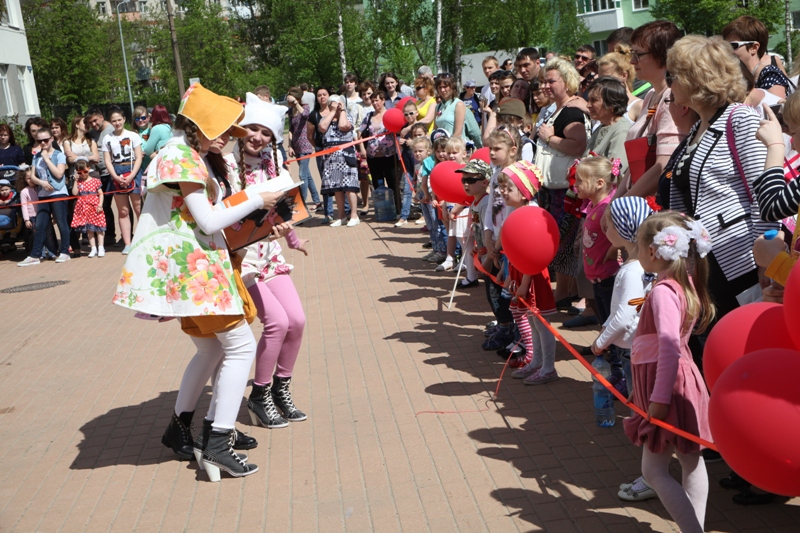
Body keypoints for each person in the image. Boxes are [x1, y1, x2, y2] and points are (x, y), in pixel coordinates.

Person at [113, 83, 285, 482]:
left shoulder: (183, 153)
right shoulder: (181, 156)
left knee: (210, 351)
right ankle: (217, 444)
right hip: (196, 272)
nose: (228, 138)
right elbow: (206, 221)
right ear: (199, 125)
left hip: (194, 269)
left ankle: (184, 428)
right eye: (223, 129)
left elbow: (202, 218)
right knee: (239, 347)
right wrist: (257, 198)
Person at [666, 35, 776, 325]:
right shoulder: (697, 128)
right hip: (704, 264)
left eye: (672, 75)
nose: (669, 83)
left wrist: (767, 261)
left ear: (695, 78)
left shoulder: (740, 118)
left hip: (739, 261)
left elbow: (762, 193)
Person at [624, 211, 714, 533]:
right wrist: (641, 389)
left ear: (652, 251)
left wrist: (658, 398)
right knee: (691, 459)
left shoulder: (664, 291)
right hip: (680, 382)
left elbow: (668, 347)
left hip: (668, 388)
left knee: (653, 471)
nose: (635, 251)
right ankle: (696, 527)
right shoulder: (682, 283)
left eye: (638, 245)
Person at [230, 96, 311, 428]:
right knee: (276, 322)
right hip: (243, 258)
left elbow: (285, 208)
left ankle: (281, 389)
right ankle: (259, 395)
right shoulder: (228, 165)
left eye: (265, 132)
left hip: (269, 255)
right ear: (241, 129)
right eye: (252, 128)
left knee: (297, 320)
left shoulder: (273, 163)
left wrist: (293, 239)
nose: (258, 137)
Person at [535, 57, 591, 304]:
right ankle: (565, 291)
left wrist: (549, 138)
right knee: (560, 239)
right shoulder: (558, 109)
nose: (545, 86)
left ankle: (564, 292)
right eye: (544, 81)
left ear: (566, 82)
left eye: (551, 81)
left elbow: (578, 145)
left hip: (565, 189)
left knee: (563, 239)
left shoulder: (570, 111)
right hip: (553, 187)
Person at [497, 161, 558, 380]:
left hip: (533, 276)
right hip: (521, 274)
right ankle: (537, 362)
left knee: (541, 323)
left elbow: (533, 255)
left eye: (509, 188)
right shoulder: (515, 212)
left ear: (524, 193)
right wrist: (507, 273)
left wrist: (524, 283)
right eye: (502, 187)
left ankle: (549, 367)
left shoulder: (532, 214)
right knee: (532, 322)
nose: (503, 192)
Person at [622, 20, 683, 198]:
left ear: (662, 55)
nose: (633, 61)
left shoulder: (672, 97)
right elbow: (635, 164)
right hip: (639, 196)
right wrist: (616, 201)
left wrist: (623, 202)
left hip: (656, 202)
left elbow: (662, 166)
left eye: (639, 54)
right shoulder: (650, 95)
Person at [482, 127, 522, 351]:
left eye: (497, 148)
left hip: (509, 244)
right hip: (495, 241)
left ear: (512, 149)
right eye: (490, 148)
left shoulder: (517, 176)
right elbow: (491, 207)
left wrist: (496, 247)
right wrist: (488, 234)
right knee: (493, 289)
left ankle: (516, 333)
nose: (492, 153)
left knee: (509, 291)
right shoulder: (496, 173)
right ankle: (504, 326)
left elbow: (511, 214)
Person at [573, 157, 621, 326]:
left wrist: (611, 252)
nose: (575, 184)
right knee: (603, 320)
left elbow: (621, 237)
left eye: (580, 180)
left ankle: (613, 351)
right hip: (597, 276)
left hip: (607, 276)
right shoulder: (593, 206)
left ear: (599, 183)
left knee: (610, 321)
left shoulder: (606, 210)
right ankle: (606, 348)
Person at [17, 127, 70, 266]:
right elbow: (33, 176)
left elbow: (59, 174)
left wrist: (47, 159)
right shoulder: (36, 156)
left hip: (58, 193)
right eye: (39, 141)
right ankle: (35, 255)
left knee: (61, 223)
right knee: (40, 224)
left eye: (46, 140)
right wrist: (42, 183)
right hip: (43, 194)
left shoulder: (59, 155)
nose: (43, 143)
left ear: (52, 139)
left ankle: (65, 252)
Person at [101, 105, 144, 254]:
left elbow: (139, 157)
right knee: (123, 210)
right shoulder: (107, 138)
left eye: (119, 119)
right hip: (116, 172)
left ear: (124, 119)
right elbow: (107, 160)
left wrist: (132, 175)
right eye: (114, 120)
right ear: (110, 122)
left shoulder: (133, 136)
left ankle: (143, 238)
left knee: (138, 208)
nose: (117, 123)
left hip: (132, 170)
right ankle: (127, 243)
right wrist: (115, 176)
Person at [723, 16, 791, 99]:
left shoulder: (770, 75)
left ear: (754, 48)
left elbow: (774, 110)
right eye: (724, 46)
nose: (727, 51)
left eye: (733, 45)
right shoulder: (739, 78)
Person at [320, 94, 359, 227]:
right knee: (336, 187)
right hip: (331, 159)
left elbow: (343, 126)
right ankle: (341, 216)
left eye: (337, 103)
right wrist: (332, 112)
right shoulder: (328, 118)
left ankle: (354, 215)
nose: (335, 106)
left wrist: (341, 110)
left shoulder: (347, 116)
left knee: (349, 187)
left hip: (345, 156)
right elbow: (322, 127)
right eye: (332, 103)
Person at [358, 91, 398, 217]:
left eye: (377, 100)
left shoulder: (390, 114)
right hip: (373, 156)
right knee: (377, 184)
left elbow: (398, 128)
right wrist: (362, 149)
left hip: (389, 155)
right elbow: (359, 133)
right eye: (373, 100)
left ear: (383, 100)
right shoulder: (369, 116)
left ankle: (397, 210)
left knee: (393, 184)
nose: (375, 103)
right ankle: (381, 211)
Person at [457, 159, 491, 288]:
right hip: (483, 252)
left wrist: (486, 248)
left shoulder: (486, 203)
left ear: (484, 182)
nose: (466, 184)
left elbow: (489, 230)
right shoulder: (474, 203)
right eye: (464, 180)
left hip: (491, 254)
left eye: (471, 181)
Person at [586, 77, 632, 172]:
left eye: (594, 100)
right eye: (588, 100)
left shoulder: (622, 131)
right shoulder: (602, 127)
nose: (588, 105)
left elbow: (614, 173)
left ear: (611, 103)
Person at [85, 108, 117, 246]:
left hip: (112, 173)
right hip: (99, 174)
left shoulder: (111, 130)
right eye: (90, 122)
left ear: (101, 117)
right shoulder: (93, 133)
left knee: (119, 206)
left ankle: (117, 235)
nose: (93, 124)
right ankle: (106, 235)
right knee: (102, 206)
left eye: (95, 121)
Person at [286, 86, 320, 211]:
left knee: (301, 175)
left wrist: (296, 102)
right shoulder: (290, 111)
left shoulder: (305, 107)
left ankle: (302, 203)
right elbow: (290, 129)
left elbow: (305, 115)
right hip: (296, 146)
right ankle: (317, 200)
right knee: (307, 175)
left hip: (305, 145)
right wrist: (290, 146)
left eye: (290, 96)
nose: (288, 99)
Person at [307, 86, 338, 221]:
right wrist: (318, 147)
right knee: (326, 181)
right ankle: (328, 213)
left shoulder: (336, 112)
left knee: (339, 179)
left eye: (324, 94)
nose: (322, 97)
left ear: (329, 96)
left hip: (337, 150)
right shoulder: (313, 115)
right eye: (319, 95)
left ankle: (346, 210)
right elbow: (309, 136)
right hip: (321, 150)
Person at [597, 46, 643, 123]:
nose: (601, 83)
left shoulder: (638, 106)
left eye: (606, 78)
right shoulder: (601, 107)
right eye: (599, 79)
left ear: (624, 76)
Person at [70, 158, 106, 258]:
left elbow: (101, 194)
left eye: (85, 171)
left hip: (94, 206)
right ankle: (93, 248)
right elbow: (74, 193)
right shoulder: (79, 182)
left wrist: (100, 205)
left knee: (99, 228)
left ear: (89, 169)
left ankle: (101, 247)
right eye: (80, 172)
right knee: (89, 229)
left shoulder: (95, 181)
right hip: (83, 208)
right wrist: (75, 181)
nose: (83, 174)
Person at [435, 73, 482, 147]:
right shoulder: (438, 106)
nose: (442, 90)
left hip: (455, 148)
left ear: (452, 87)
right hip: (442, 149)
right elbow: (436, 131)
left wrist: (447, 147)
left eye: (445, 87)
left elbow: (458, 133)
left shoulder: (458, 104)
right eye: (439, 87)